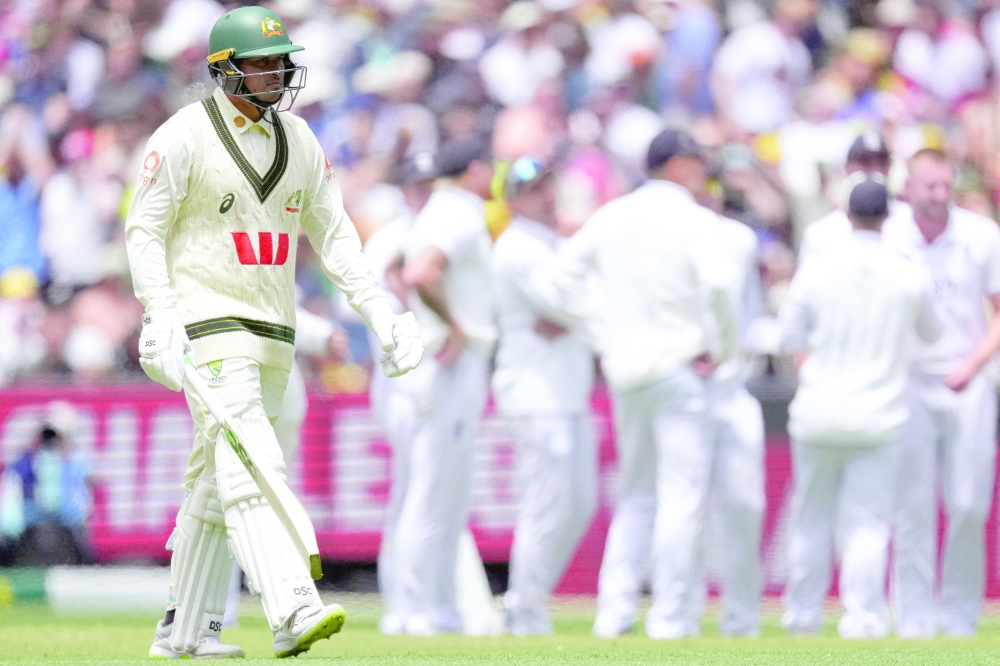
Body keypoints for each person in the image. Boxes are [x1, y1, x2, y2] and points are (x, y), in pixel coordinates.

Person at [124, 6, 421, 659]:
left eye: (278, 60)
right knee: (253, 458)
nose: (274, 72)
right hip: (207, 323)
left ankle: (184, 631)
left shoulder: (302, 140)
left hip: (275, 332)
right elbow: (144, 231)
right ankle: (291, 605)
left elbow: (336, 239)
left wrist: (380, 311)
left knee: (212, 481)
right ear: (222, 71)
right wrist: (162, 312)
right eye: (258, 63)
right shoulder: (183, 136)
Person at [542, 129, 739, 639]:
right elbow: (719, 284)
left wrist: (602, 331)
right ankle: (670, 617)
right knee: (680, 496)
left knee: (636, 494)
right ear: (676, 165)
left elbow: (560, 278)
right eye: (696, 160)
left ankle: (615, 611)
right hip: (679, 368)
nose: (701, 170)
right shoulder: (695, 220)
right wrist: (723, 347)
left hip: (628, 371)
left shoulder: (614, 214)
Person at [778, 174, 940, 638]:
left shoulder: (818, 268)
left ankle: (803, 616)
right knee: (867, 523)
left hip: (818, 411)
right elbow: (933, 333)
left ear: (847, 216)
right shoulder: (907, 272)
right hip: (880, 415)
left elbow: (789, 336)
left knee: (811, 518)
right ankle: (863, 619)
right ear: (888, 218)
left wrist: (815, 364)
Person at [885, 148, 1000, 637]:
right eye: (928, 186)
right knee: (910, 505)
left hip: (968, 381)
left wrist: (972, 364)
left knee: (969, 504)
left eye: (944, 186)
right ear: (908, 186)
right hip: (909, 381)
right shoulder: (889, 237)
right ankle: (912, 617)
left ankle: (958, 615)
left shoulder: (981, 236)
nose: (937, 195)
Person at [393, 136, 497, 635]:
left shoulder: (440, 209)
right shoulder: (459, 211)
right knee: (437, 490)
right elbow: (419, 272)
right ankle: (421, 608)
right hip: (451, 362)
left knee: (441, 491)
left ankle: (435, 606)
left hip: (442, 362)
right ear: (474, 168)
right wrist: (454, 324)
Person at [491, 157, 597, 635]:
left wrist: (581, 316)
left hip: (566, 391)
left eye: (548, 184)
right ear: (512, 199)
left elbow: (580, 304)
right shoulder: (518, 247)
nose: (547, 194)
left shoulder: (553, 242)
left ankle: (528, 600)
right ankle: (523, 606)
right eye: (533, 188)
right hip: (535, 393)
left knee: (578, 505)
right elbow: (570, 303)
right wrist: (585, 315)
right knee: (546, 504)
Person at [0, 401, 94, 566]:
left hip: (62, 519)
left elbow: (75, 503)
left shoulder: (74, 462)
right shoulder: (29, 460)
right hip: (29, 518)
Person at [798, 131, 908, 265]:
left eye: (881, 162)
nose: (874, 170)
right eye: (864, 162)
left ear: (890, 166)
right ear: (846, 168)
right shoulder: (821, 234)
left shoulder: (911, 223)